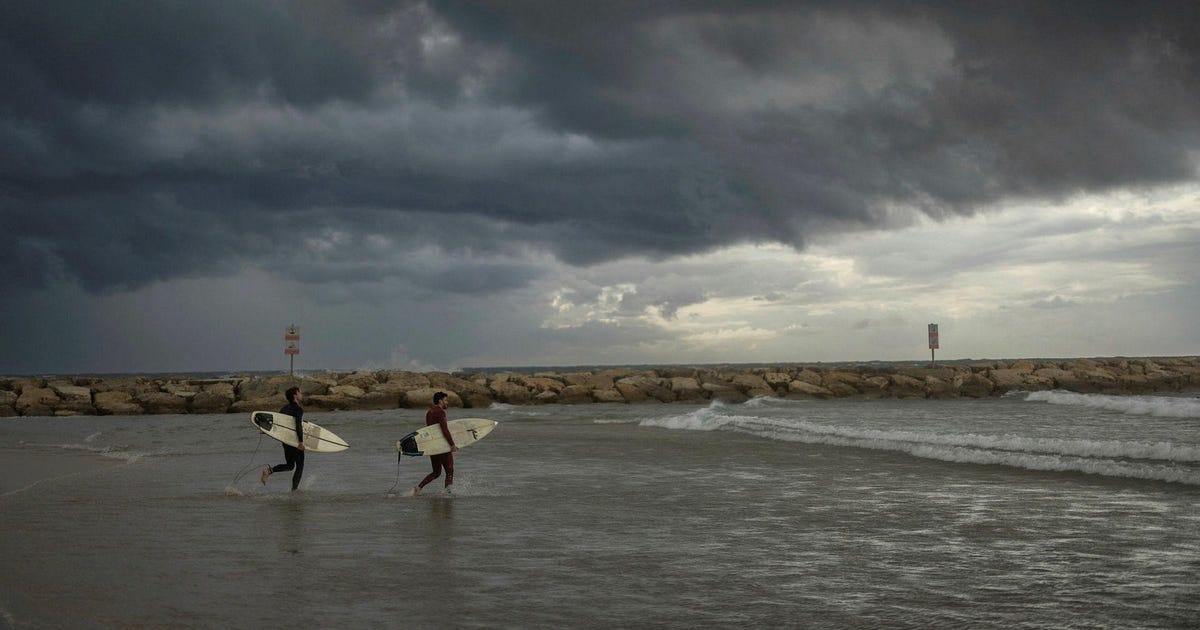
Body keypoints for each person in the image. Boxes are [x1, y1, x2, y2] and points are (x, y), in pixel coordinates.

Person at [413, 391, 458, 496]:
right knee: (450, 470)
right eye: (445, 400)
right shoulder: (440, 412)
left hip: (432, 446)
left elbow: (430, 430)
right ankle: (448, 493)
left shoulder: (429, 412)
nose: (447, 403)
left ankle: (419, 487)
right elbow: (444, 430)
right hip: (441, 445)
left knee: (436, 472)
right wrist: (452, 444)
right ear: (440, 400)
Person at [261, 387, 306, 491]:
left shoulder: (284, 409)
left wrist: (266, 430)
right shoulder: (298, 409)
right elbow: (298, 425)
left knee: (290, 466)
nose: (301, 395)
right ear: (295, 395)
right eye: (300, 393)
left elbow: (277, 424)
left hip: (286, 441)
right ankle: (294, 491)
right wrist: (301, 442)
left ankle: (269, 471)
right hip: (294, 441)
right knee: (299, 466)